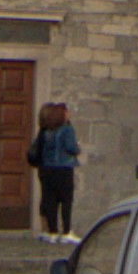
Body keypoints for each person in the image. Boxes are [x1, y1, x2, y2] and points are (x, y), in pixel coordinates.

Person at [29, 103, 81, 240]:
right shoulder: (67, 130)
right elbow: (71, 148)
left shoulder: (46, 131)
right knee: (66, 201)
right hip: (63, 168)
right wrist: (78, 148)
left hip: (48, 168)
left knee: (51, 200)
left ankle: (52, 231)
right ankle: (66, 231)